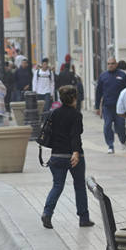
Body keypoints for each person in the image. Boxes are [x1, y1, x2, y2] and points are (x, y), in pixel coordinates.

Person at [41, 85, 94, 230]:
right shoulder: (76, 115)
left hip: (56, 156)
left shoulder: (54, 113)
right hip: (73, 156)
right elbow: (75, 135)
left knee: (57, 186)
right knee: (79, 186)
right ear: (74, 98)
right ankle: (84, 218)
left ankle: (47, 213)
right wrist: (76, 152)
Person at [95, 57, 126, 154]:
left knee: (120, 127)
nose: (110, 65)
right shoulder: (103, 76)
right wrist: (97, 107)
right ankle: (110, 145)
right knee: (107, 126)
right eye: (109, 63)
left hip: (120, 108)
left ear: (116, 64)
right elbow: (98, 92)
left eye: (112, 63)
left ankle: (123, 140)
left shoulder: (122, 75)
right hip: (107, 107)